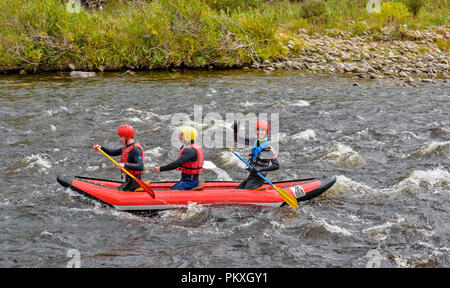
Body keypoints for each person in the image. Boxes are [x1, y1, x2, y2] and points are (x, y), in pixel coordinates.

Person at [93, 124, 145, 191]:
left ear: (127, 137)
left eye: (121, 137)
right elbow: (113, 152)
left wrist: (124, 164)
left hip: (135, 182)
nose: (119, 139)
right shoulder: (127, 147)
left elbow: (140, 166)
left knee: (118, 191)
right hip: (129, 180)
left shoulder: (135, 150)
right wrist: (101, 148)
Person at [154, 126, 204, 190]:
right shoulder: (188, 148)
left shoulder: (189, 150)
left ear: (187, 136)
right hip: (185, 180)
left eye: (181, 134)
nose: (179, 136)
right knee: (172, 189)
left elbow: (176, 164)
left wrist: (160, 169)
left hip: (190, 183)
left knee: (171, 193)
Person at [234, 120, 279, 189]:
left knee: (245, 191)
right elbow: (237, 139)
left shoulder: (268, 148)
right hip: (251, 176)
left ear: (266, 132)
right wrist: (235, 130)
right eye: (258, 130)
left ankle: (260, 189)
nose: (260, 132)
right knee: (238, 189)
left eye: (262, 130)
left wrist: (261, 168)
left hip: (259, 178)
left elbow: (276, 166)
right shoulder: (254, 142)